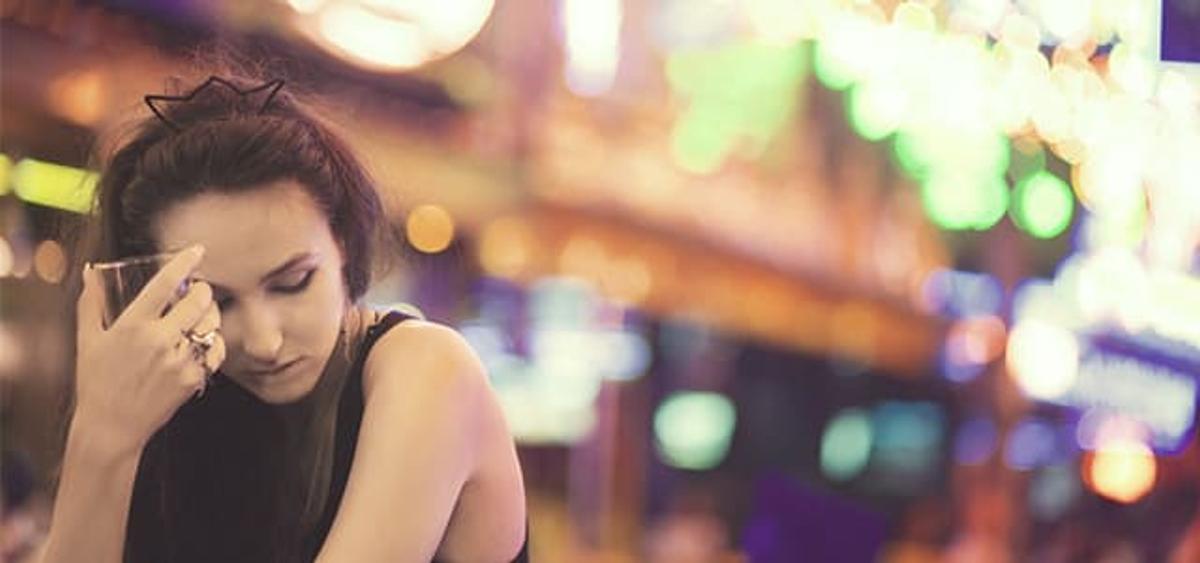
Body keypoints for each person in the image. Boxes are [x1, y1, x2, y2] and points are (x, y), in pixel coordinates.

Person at [31, 73, 528, 562]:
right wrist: (103, 435)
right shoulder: (189, 400)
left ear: (343, 245)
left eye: (293, 283)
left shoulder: (428, 367)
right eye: (216, 301)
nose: (264, 342)